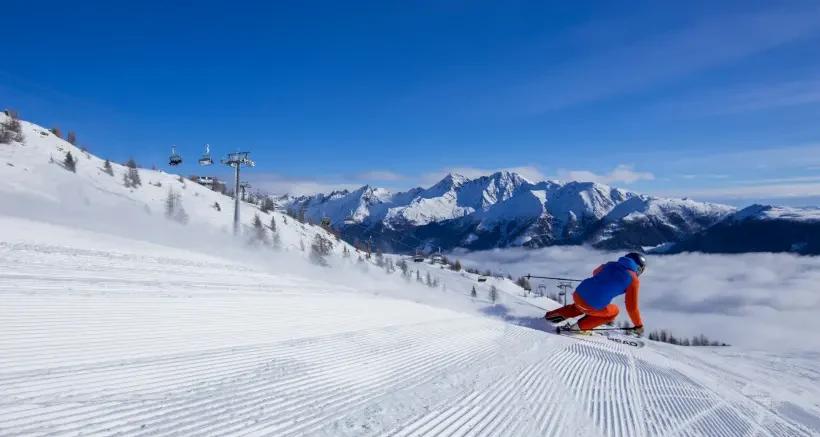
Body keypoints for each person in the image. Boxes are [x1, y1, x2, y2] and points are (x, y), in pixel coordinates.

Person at [545, 252, 646, 335]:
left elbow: (595, 272)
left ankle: (550, 317)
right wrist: (638, 325)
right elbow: (631, 307)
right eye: (641, 270)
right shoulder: (634, 280)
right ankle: (579, 327)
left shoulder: (610, 264)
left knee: (579, 307)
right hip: (591, 305)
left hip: (578, 294)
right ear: (638, 268)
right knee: (614, 311)